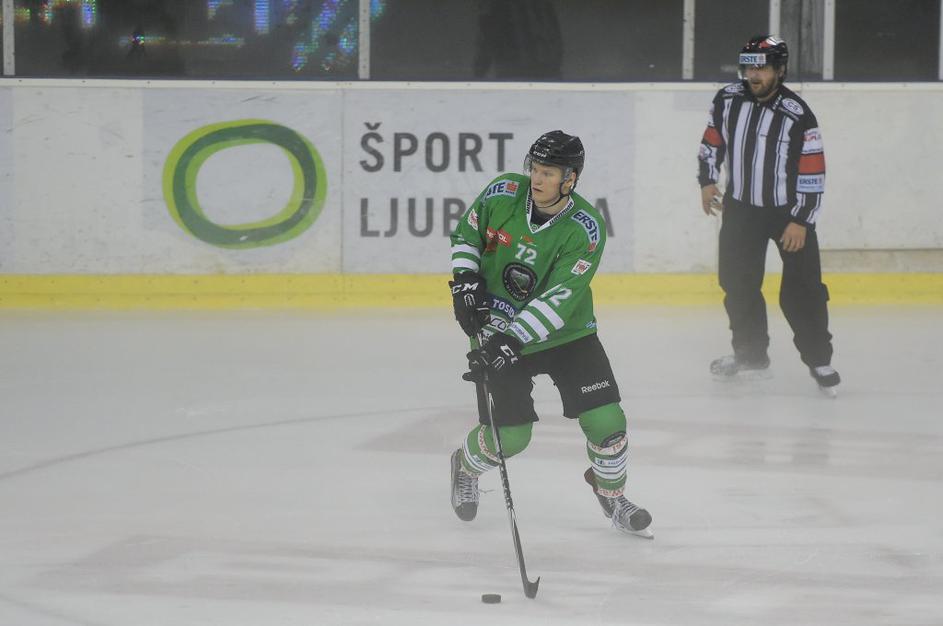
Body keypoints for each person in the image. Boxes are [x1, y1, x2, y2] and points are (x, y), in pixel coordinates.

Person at [447, 130, 653, 537]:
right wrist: (466, 280)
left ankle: (612, 495)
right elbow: (467, 235)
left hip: (566, 335)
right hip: (497, 328)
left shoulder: (585, 228)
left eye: (548, 173)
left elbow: (560, 299)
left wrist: (512, 341)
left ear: (570, 179)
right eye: (535, 169)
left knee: (607, 422)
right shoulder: (503, 193)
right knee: (511, 437)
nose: (537, 179)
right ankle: (465, 467)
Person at [697, 35, 841, 396]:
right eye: (748, 68)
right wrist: (707, 180)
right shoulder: (728, 99)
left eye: (762, 68)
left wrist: (801, 220)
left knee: (803, 290)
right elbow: (712, 140)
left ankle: (819, 360)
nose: (753, 75)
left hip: (787, 213)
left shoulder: (798, 114)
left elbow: (813, 169)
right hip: (741, 210)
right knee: (737, 284)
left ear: (780, 70)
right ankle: (751, 356)